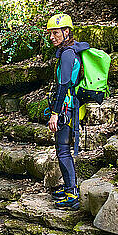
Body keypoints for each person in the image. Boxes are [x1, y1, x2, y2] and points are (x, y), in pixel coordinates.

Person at [46, 13, 89, 210]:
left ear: (66, 31)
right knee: (63, 150)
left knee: (63, 150)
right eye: (50, 33)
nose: (52, 37)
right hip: (71, 105)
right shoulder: (71, 50)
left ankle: (72, 193)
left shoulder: (67, 54)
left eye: (55, 32)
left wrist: (55, 113)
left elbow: (64, 84)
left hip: (67, 107)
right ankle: (69, 188)